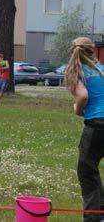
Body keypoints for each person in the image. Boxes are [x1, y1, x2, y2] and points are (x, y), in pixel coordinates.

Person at [64, 37, 104, 222]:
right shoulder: (101, 69)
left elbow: (83, 96)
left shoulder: (78, 71)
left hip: (97, 126)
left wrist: (78, 110)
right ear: (93, 51)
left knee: (87, 171)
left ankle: (94, 219)